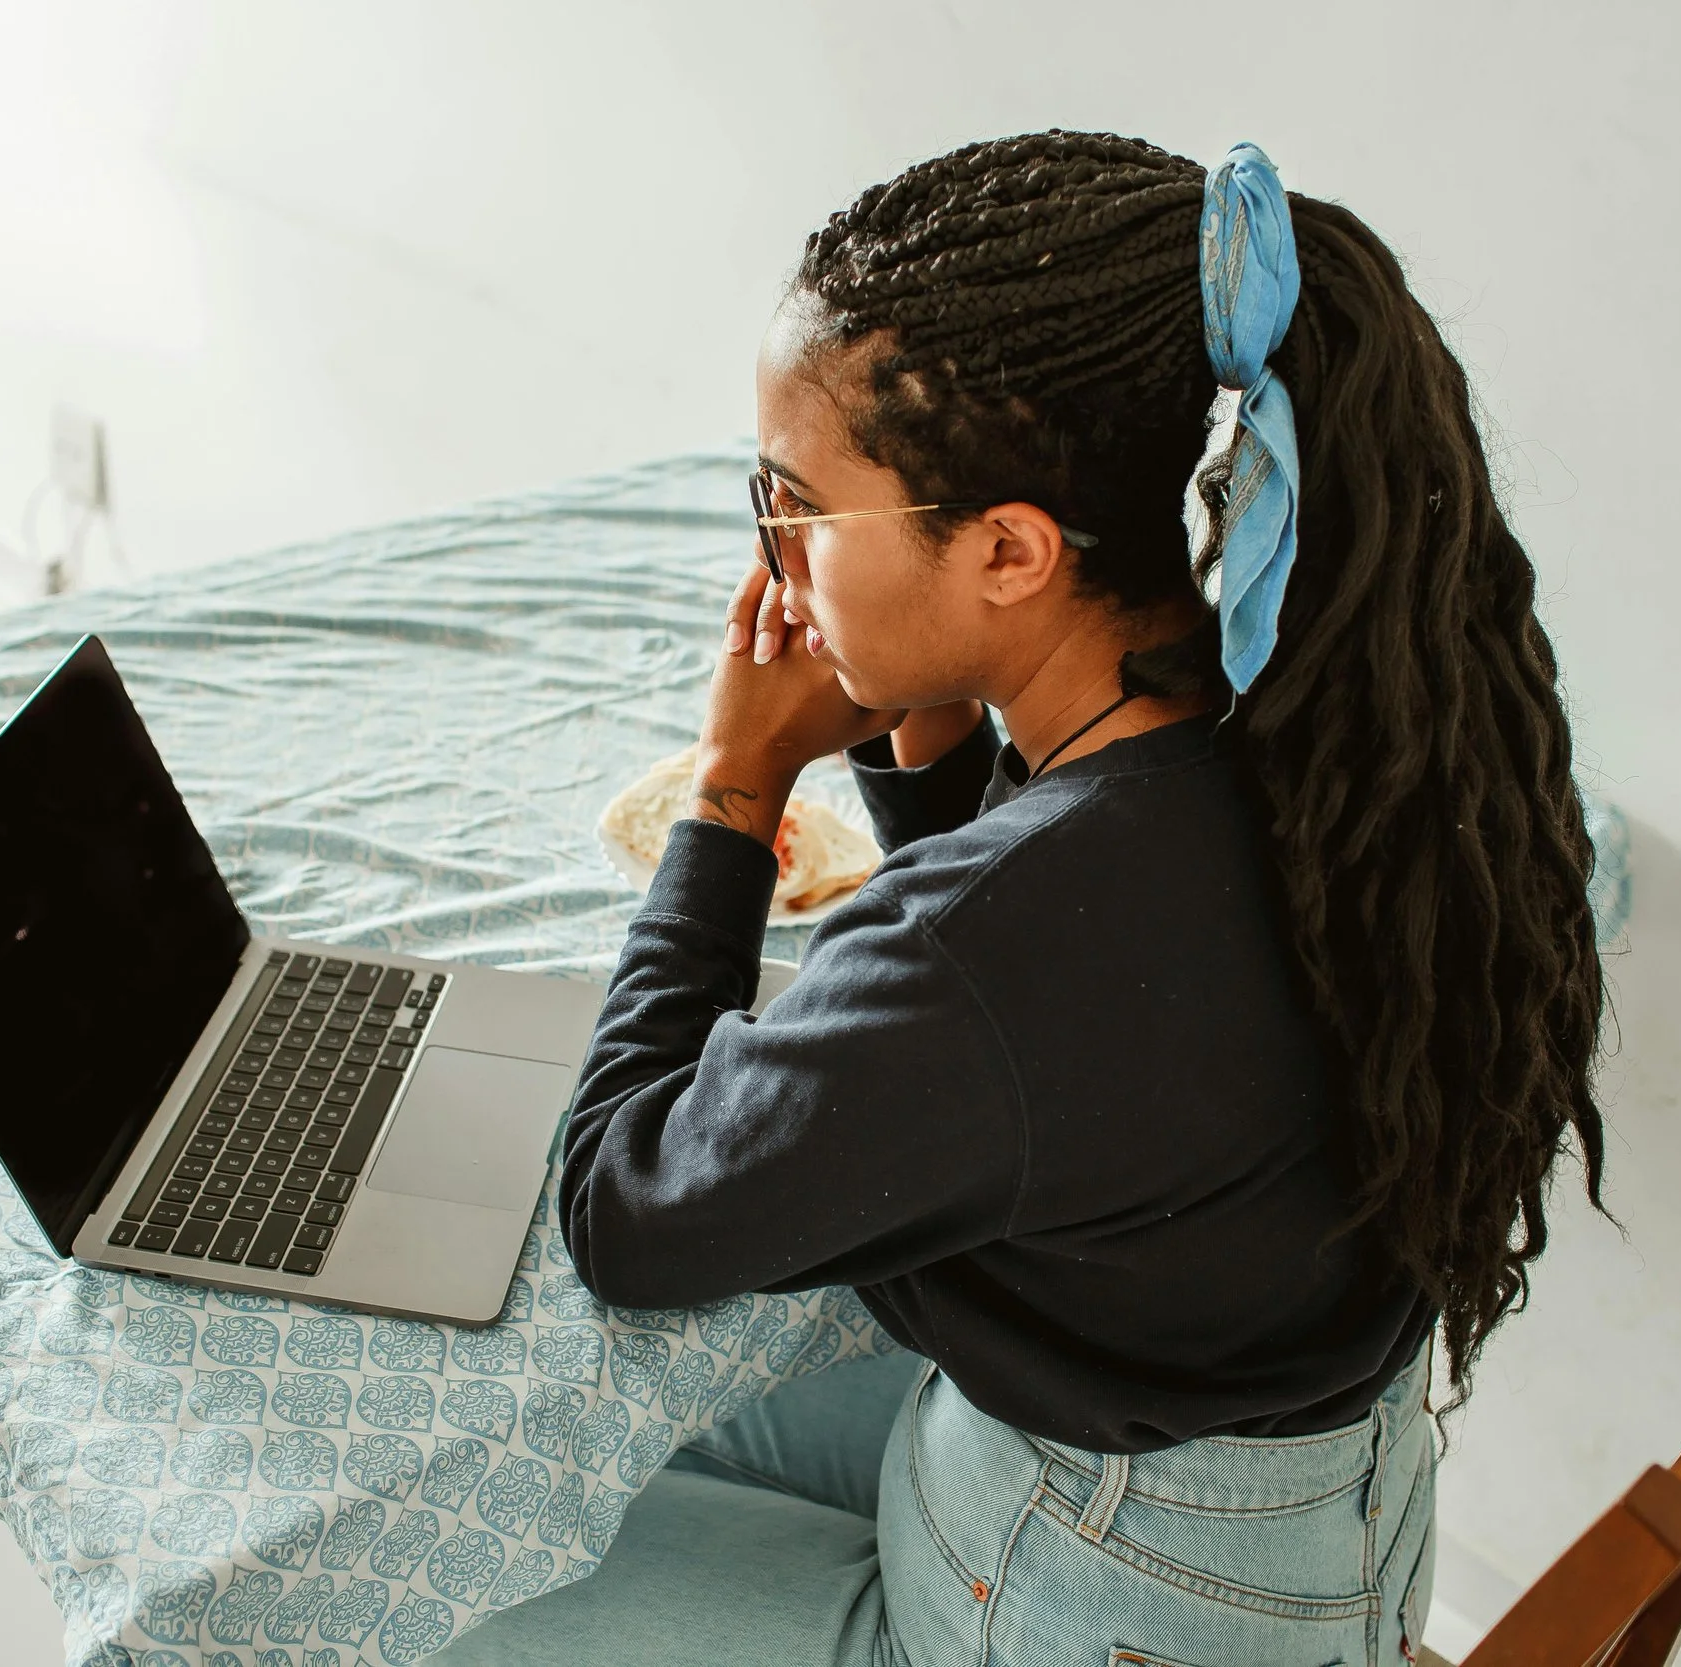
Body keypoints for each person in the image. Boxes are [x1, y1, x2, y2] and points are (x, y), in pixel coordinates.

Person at [449, 130, 1605, 1666]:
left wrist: (737, 790)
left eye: (793, 505)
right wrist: (930, 738)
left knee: (417, 1597)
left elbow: (629, 1201)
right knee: (611, 1440)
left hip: (1095, 1597)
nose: (774, 559)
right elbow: (1071, 988)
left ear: (1009, 550)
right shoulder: (1311, 735)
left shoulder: (978, 952)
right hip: (1293, 1531)